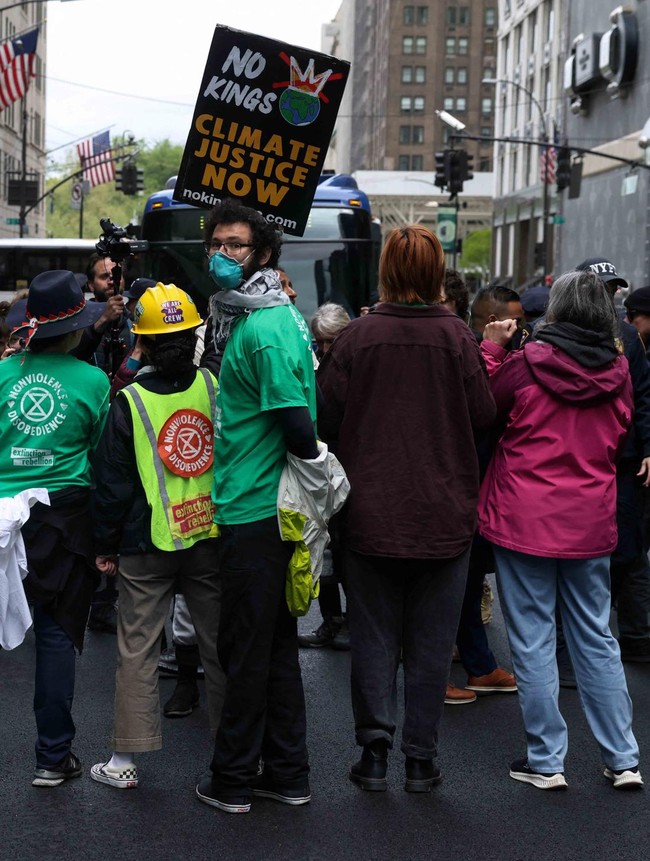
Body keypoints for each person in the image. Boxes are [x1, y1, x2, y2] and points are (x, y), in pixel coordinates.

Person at [318, 224, 496, 793]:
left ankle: (374, 753)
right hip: (444, 515)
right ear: (435, 273)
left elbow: (325, 417)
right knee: (431, 643)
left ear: (387, 271)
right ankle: (421, 760)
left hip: (369, 513)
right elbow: (483, 414)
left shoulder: (357, 337)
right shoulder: (458, 338)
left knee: (372, 637)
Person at [479, 269, 642, 791]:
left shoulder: (527, 364)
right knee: (596, 636)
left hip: (523, 515)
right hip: (589, 518)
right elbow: (620, 437)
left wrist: (491, 352)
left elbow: (484, 412)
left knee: (532, 638)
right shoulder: (619, 370)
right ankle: (623, 758)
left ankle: (547, 761)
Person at [196, 198, 317, 814]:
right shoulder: (261, 314)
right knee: (272, 649)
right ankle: (287, 774)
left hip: (256, 511)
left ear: (263, 253)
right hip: (259, 506)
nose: (222, 255)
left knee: (243, 652)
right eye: (215, 244)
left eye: (235, 245)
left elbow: (298, 426)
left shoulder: (264, 328)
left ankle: (233, 781)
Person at [90, 284, 225, 791]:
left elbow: (112, 482)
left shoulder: (129, 400)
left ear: (141, 343)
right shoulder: (213, 385)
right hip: (208, 535)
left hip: (145, 542)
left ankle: (124, 760)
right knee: (220, 647)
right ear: (193, 337)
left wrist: (105, 545)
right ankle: (233, 756)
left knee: (137, 649)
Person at [0, 270, 109, 787]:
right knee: (56, 634)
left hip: (2, 516)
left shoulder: (2, 374)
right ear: (75, 328)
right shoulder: (93, 381)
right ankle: (52, 756)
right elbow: (101, 457)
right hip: (64, 522)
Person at [574, 258, 650, 664]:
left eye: (613, 289)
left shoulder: (627, 337)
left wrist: (648, 448)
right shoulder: (554, 331)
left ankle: (624, 637)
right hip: (577, 459)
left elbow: (644, 396)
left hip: (623, 461)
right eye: (602, 288)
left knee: (627, 550)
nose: (608, 295)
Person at [299, 302, 352, 651]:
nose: (325, 348)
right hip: (322, 466)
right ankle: (331, 620)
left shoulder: (353, 367)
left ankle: (352, 621)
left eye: (331, 341)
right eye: (320, 342)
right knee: (323, 546)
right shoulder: (316, 365)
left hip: (348, 465)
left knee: (347, 551)